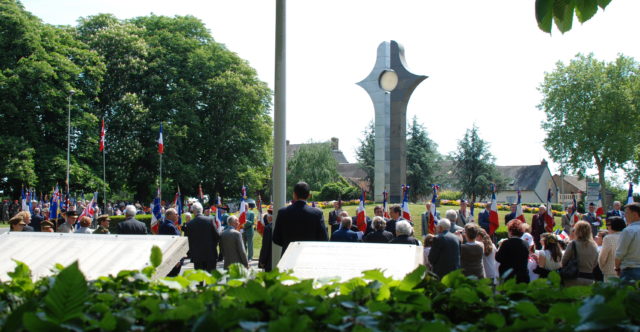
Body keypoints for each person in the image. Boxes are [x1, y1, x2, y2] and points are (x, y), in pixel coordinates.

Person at [272, 182, 328, 255]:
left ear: (294, 195)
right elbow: (324, 239)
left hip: (288, 255)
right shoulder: (317, 214)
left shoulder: (282, 212)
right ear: (309, 195)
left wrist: (289, 245)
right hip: (309, 256)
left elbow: (276, 238)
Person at [184, 202, 221, 271]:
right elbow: (217, 236)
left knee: (200, 279)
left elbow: (188, 241)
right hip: (210, 253)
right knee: (210, 279)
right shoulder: (210, 220)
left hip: (197, 255)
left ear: (194, 211)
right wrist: (213, 246)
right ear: (202, 210)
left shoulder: (190, 224)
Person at [562, 221, 599, 286]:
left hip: (573, 277)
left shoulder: (573, 244)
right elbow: (595, 263)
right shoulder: (594, 245)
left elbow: (564, 261)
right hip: (589, 278)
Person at [615, 202, 640, 281]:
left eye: (627, 213)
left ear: (635, 214)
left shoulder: (629, 231)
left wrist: (617, 268)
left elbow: (619, 254)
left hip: (630, 272)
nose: (625, 215)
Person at [598, 216, 625, 281]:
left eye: (608, 224)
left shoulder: (608, 238)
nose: (607, 227)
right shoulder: (627, 236)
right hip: (626, 272)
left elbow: (602, 257)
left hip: (611, 272)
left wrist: (603, 268)